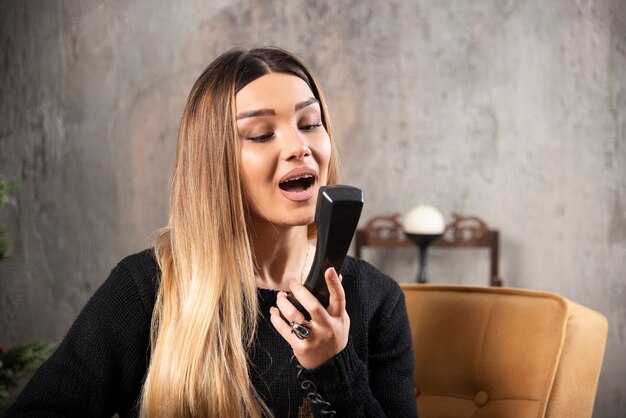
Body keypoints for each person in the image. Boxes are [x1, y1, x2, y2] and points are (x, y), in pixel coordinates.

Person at [7, 47, 417, 418]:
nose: (299, 146)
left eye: (309, 124)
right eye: (261, 134)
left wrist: (334, 365)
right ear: (215, 164)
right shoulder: (146, 288)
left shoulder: (377, 300)